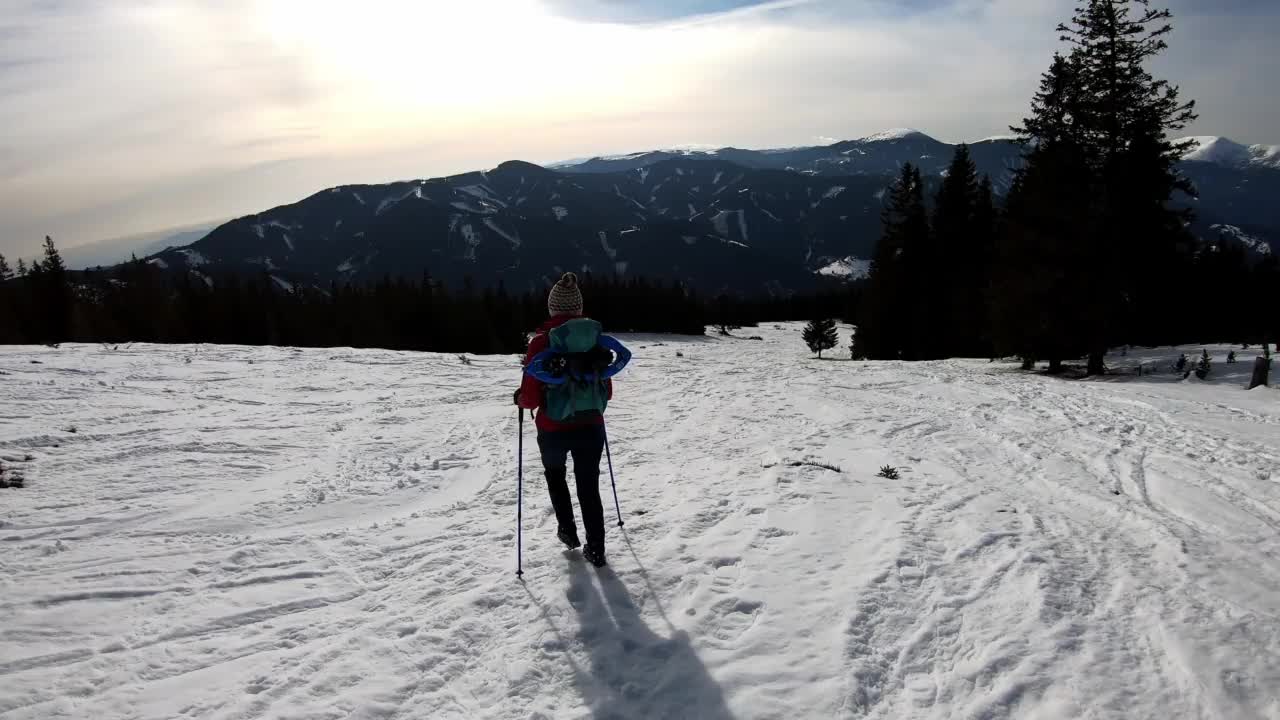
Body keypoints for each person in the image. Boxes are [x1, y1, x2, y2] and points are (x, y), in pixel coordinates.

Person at [514, 272, 612, 567]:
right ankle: (596, 548)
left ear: (552, 308)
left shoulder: (541, 343)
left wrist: (520, 400)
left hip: (553, 428)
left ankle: (568, 531)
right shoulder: (595, 341)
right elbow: (607, 389)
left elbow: (530, 397)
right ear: (579, 309)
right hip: (591, 424)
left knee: (556, 477)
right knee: (589, 485)